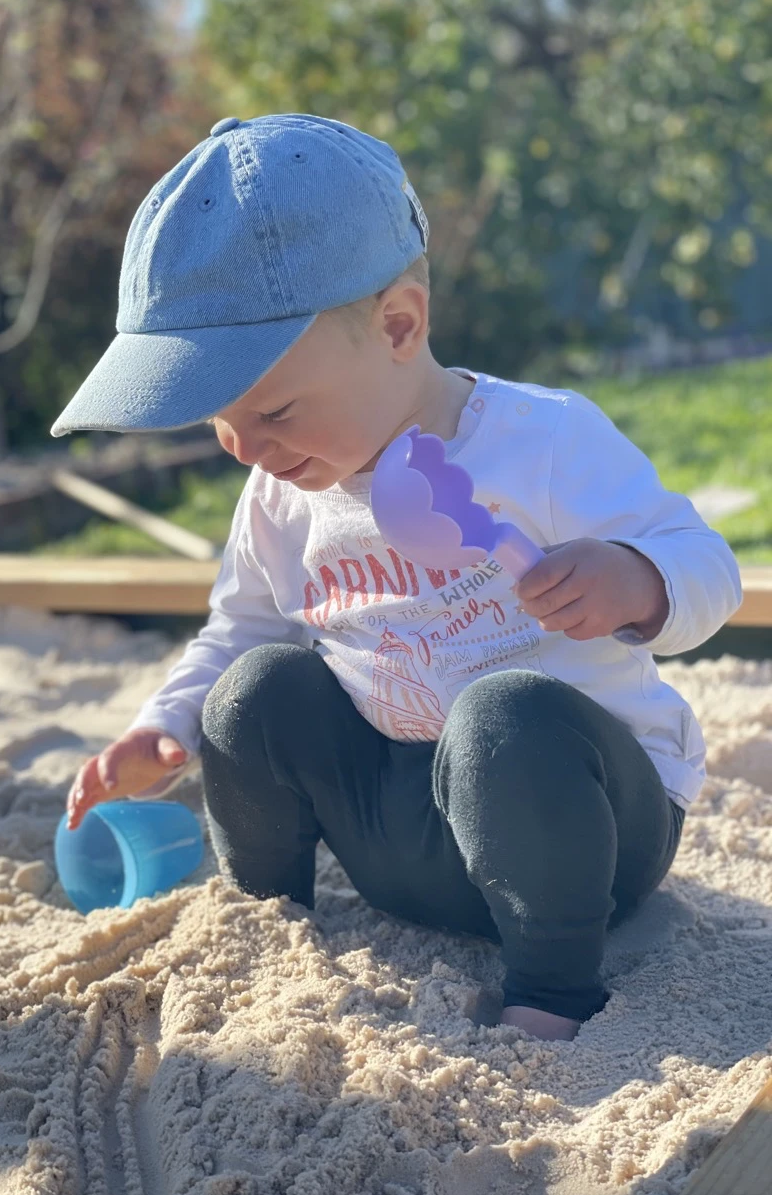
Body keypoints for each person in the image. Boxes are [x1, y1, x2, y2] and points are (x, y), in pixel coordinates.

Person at [53, 114, 742, 1042]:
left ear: (398, 326)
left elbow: (710, 567)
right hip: (402, 824)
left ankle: (551, 993)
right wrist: (163, 726)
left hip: (582, 829)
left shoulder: (541, 442)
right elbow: (240, 629)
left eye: (275, 410)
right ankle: (268, 922)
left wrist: (637, 580)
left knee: (504, 717)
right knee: (252, 693)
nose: (245, 448)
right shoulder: (281, 491)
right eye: (220, 423)